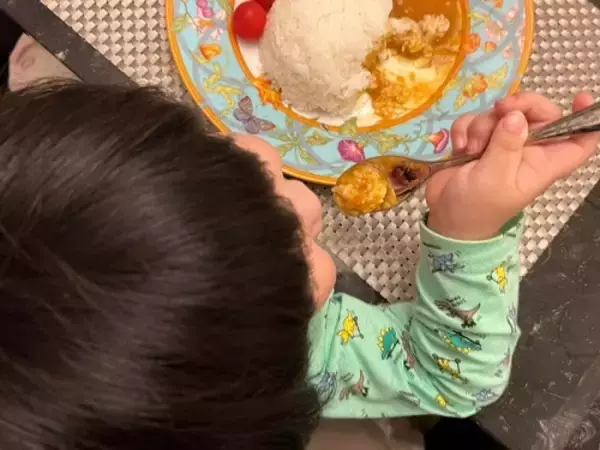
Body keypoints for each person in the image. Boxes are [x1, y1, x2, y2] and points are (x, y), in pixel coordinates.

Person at [0, 81, 596, 450]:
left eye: (218, 154)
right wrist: (471, 231)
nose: (310, 202)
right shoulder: (277, 364)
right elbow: (453, 377)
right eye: (299, 250)